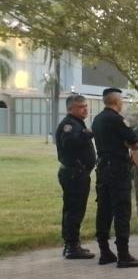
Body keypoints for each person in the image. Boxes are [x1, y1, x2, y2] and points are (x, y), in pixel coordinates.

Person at [91, 88, 138, 268]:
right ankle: (123, 254)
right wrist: (130, 143)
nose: (122, 102)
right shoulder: (117, 119)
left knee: (104, 209)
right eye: (122, 100)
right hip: (118, 169)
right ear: (117, 101)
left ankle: (104, 251)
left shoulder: (98, 119)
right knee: (122, 210)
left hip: (102, 168)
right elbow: (136, 143)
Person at [55, 94, 97, 260]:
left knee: (75, 209)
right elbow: (69, 143)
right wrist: (87, 134)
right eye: (81, 107)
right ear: (70, 108)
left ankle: (72, 244)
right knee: (74, 210)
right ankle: (72, 246)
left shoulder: (77, 123)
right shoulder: (69, 125)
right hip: (74, 174)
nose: (85, 109)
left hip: (78, 173)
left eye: (86, 106)